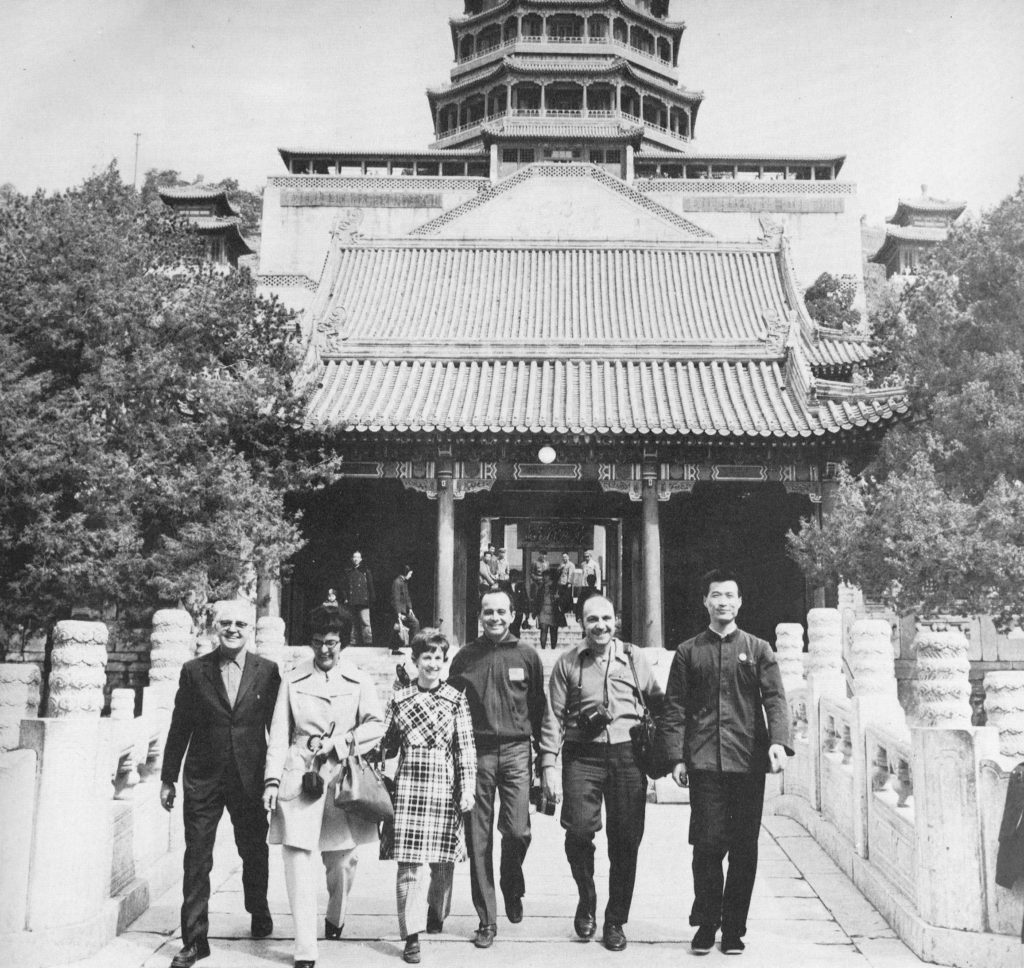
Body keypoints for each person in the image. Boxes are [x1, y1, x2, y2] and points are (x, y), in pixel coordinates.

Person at [661, 569, 792, 956]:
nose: (722, 602)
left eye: (729, 595)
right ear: (705, 601)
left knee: (743, 849)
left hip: (748, 763)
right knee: (706, 845)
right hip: (704, 763)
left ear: (739, 602)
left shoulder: (758, 648)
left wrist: (779, 742)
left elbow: (776, 699)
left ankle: (734, 928)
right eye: (715, 595)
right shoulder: (688, 651)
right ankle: (706, 922)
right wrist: (676, 756)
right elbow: (675, 708)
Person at [160, 600, 281, 968]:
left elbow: (278, 729)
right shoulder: (195, 671)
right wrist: (168, 776)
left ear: (251, 629)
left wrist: (277, 777)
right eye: (225, 623)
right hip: (203, 777)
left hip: (249, 778)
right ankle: (195, 940)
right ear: (215, 627)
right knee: (197, 858)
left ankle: (257, 908)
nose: (233, 629)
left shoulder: (268, 671)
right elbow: (180, 725)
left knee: (254, 852)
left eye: (240, 624)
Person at [539, 595, 663, 952]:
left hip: (628, 756)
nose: (600, 626)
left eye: (606, 618)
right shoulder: (569, 663)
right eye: (592, 619)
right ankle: (587, 898)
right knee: (578, 831)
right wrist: (549, 763)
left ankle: (615, 920)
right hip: (582, 756)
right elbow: (553, 716)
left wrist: (672, 752)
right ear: (581, 623)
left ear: (616, 620)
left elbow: (657, 700)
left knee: (626, 841)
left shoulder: (634, 657)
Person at [262, 609, 385, 968]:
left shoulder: (359, 680)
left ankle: (336, 911)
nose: (324, 651)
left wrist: (342, 743)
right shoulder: (292, 678)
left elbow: (376, 726)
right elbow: (279, 733)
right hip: (300, 773)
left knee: (342, 861)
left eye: (331, 643)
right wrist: (271, 781)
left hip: (340, 778)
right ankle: (305, 948)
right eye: (317, 643)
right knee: (296, 857)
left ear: (342, 643)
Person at [447, 589, 547, 948]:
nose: (495, 618)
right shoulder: (464, 658)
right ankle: (486, 919)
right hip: (478, 752)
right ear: (480, 615)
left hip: (518, 750)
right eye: (488, 611)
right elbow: (451, 709)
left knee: (518, 831)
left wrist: (544, 759)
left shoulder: (527, 655)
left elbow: (539, 708)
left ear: (513, 613)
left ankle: (511, 881)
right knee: (478, 838)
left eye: (501, 611)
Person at [380, 629, 477, 964]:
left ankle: (436, 911)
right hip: (408, 787)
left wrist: (467, 790)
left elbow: (465, 748)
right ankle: (411, 935)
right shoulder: (400, 698)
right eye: (427, 657)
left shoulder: (455, 699)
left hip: (444, 788)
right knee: (408, 866)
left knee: (442, 863)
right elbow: (385, 744)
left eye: (438, 657)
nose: (433, 664)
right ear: (415, 660)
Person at [341, 550, 375, 646]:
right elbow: (344, 586)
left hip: (363, 601)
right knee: (353, 622)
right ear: (352, 559)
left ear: (360, 559)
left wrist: (371, 599)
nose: (356, 559)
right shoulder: (348, 572)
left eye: (358, 557)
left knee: (365, 621)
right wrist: (345, 598)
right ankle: (353, 641)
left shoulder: (366, 571)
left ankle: (368, 641)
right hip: (352, 601)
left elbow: (370, 586)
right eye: (354, 557)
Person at [533, 566, 566, 649]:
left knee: (553, 631)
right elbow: (537, 600)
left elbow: (563, 597)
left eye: (546, 576)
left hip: (553, 610)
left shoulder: (556, 586)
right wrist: (536, 612)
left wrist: (558, 598)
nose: (544, 577)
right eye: (543, 576)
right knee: (543, 629)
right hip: (543, 610)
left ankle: (553, 648)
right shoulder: (541, 587)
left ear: (549, 576)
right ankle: (543, 648)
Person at [390, 564, 421, 654]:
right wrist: (398, 613)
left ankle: (412, 645)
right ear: (405, 573)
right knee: (413, 624)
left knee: (414, 623)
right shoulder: (397, 582)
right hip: (400, 611)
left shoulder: (404, 582)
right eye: (410, 574)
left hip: (404, 610)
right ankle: (411, 646)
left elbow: (407, 597)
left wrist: (410, 608)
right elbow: (396, 598)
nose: (411, 576)